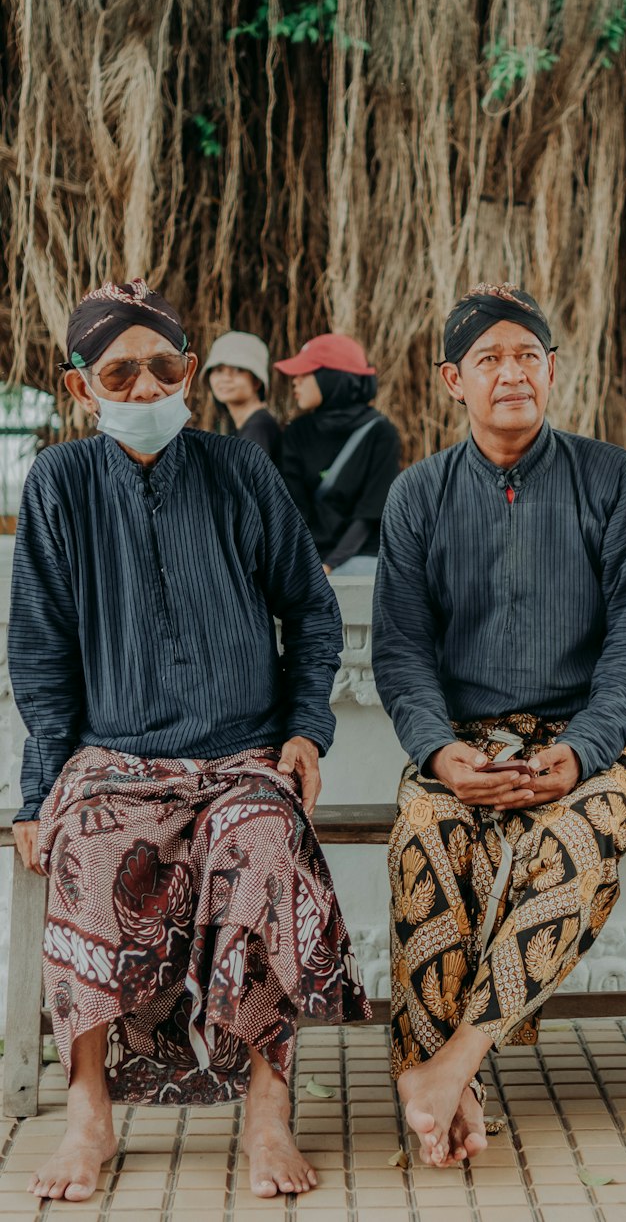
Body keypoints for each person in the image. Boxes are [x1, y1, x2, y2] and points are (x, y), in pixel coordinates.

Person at [9, 279, 369, 1204]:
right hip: (114, 754)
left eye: (162, 368)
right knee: (84, 849)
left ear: (191, 374)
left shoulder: (242, 470)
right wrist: (38, 790)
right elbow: (41, 658)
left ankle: (267, 1109)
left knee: (264, 844)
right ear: (80, 385)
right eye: (118, 373)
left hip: (242, 751)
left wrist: (303, 733)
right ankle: (88, 1109)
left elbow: (313, 612)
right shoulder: (58, 483)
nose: (142, 389)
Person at [372, 282, 626, 1168]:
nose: (512, 373)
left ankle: (449, 1068)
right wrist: (440, 752)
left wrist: (581, 754)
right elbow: (400, 655)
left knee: (579, 845)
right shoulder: (417, 495)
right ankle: (446, 1095)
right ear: (451, 380)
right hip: (462, 743)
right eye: (489, 358)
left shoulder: (612, 479)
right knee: (425, 844)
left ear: (553, 372)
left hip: (589, 742)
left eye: (527, 356)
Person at [276, 333, 401, 574]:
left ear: (330, 378)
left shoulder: (380, 432)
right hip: (309, 554)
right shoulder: (295, 433)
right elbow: (294, 510)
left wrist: (330, 565)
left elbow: (369, 513)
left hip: (360, 554)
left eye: (305, 373)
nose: (295, 381)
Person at [202, 329, 282, 463]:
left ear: (256, 381)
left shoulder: (258, 428)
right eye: (218, 370)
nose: (225, 378)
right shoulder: (246, 425)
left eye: (238, 370)